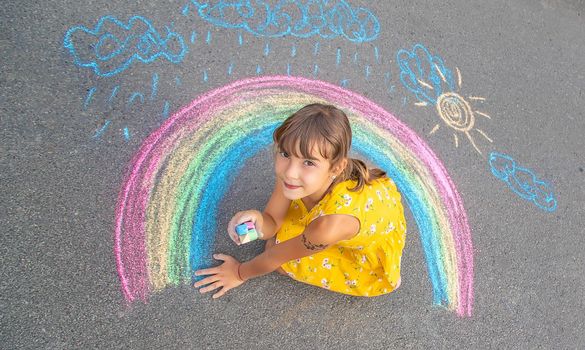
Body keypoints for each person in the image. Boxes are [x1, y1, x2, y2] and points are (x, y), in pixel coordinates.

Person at [194, 103, 407, 299]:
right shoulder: (293, 175)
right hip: (341, 211)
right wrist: (256, 218)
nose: (290, 172)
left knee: (274, 251)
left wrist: (239, 273)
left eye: (308, 162)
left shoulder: (329, 226)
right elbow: (271, 222)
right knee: (275, 238)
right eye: (285, 154)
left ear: (336, 168)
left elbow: (274, 257)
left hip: (366, 244)